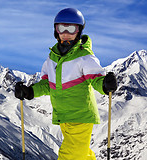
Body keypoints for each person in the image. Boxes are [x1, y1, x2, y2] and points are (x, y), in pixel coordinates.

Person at [14, 8, 118, 160]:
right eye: (62, 28)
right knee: (81, 154)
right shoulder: (52, 59)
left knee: (69, 155)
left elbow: (95, 78)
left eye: (72, 28)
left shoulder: (84, 57)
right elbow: (46, 84)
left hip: (80, 116)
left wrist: (104, 84)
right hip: (64, 117)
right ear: (56, 31)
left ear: (79, 31)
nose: (66, 33)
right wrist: (29, 91)